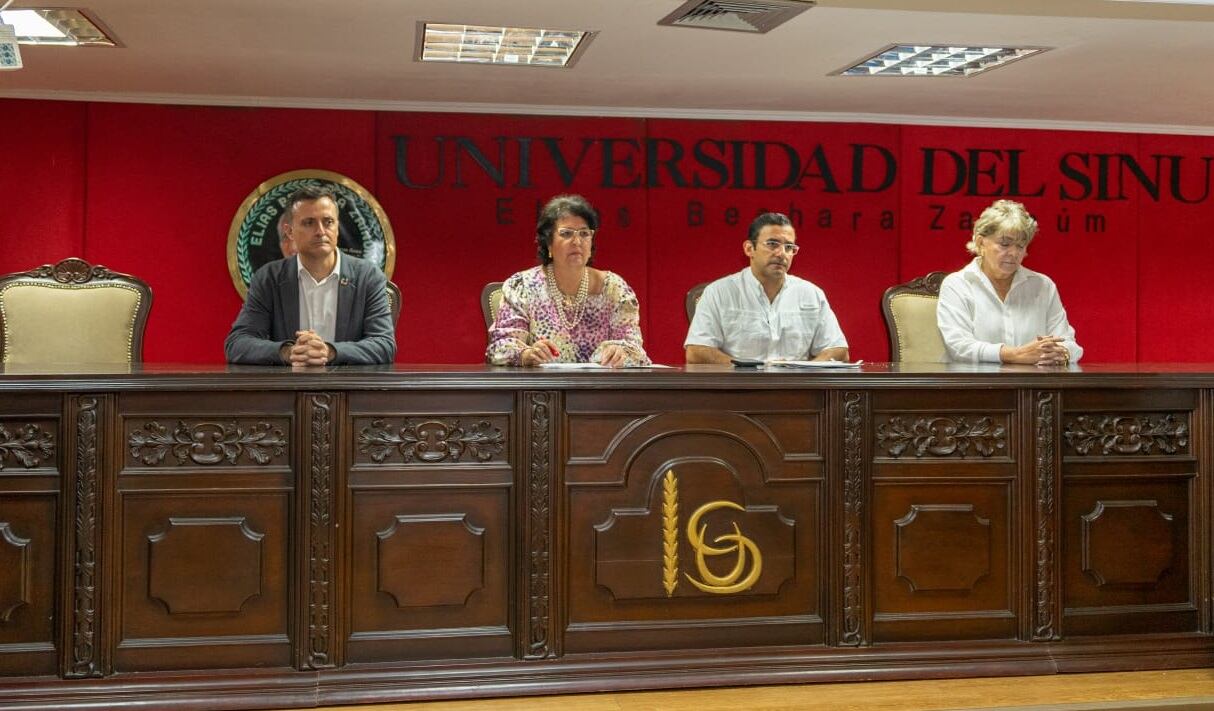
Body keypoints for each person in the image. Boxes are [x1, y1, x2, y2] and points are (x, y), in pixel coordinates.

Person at [225, 185, 396, 366]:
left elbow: (384, 345)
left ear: (337, 228)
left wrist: (330, 352)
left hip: (350, 388)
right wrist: (288, 352)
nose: (320, 231)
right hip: (287, 389)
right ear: (289, 231)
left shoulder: (368, 277)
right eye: (309, 223)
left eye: (328, 222)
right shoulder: (268, 278)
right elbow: (237, 344)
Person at [487, 194, 650, 367]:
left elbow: (636, 351)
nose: (577, 241)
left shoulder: (614, 288)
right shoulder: (522, 287)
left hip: (600, 391)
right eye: (566, 234)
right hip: (541, 390)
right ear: (548, 244)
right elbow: (500, 347)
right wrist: (526, 354)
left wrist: (622, 352)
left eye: (584, 233)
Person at [685, 212, 848, 364]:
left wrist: (804, 370)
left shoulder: (811, 294)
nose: (781, 253)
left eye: (789, 247)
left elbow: (838, 350)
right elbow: (697, 351)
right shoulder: (719, 292)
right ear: (749, 249)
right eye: (772, 244)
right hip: (738, 389)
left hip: (797, 390)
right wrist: (750, 370)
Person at [936, 199, 1082, 365]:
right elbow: (959, 347)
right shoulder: (958, 285)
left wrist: (1061, 353)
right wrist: (1016, 354)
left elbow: (1069, 343)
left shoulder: (1043, 286)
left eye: (1020, 246)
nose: (1013, 253)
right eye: (1004, 244)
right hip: (973, 386)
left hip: (1033, 386)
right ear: (980, 242)